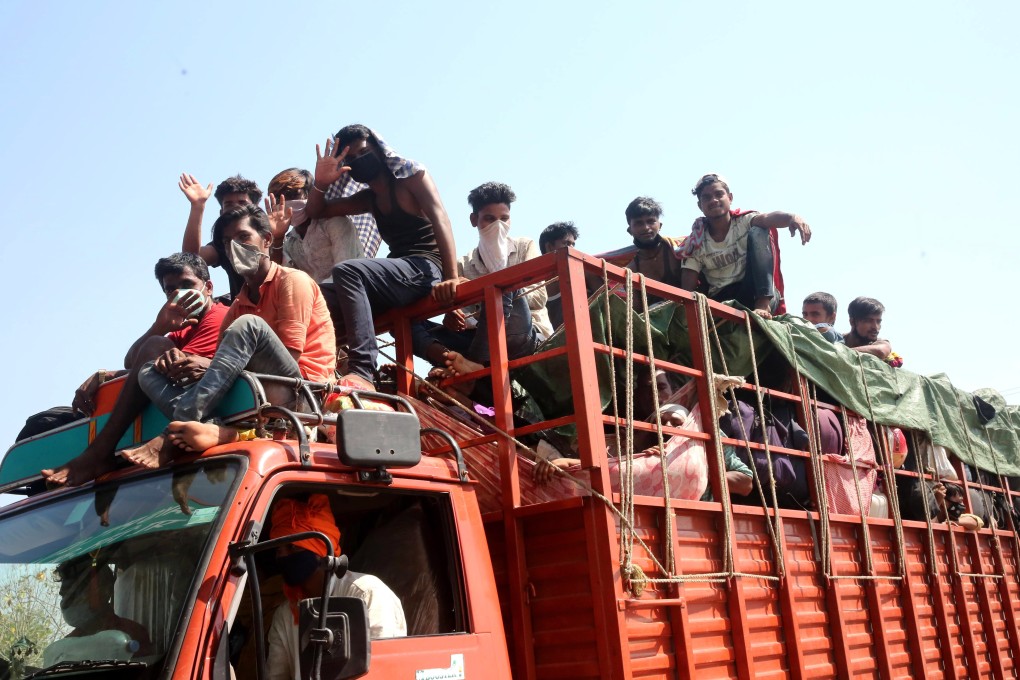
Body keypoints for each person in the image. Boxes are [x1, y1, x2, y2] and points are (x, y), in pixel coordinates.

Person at [120, 204, 336, 468]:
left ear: (266, 239)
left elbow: (289, 358)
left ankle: (175, 430)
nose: (235, 247)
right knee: (146, 372)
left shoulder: (292, 281)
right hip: (251, 391)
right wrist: (199, 366)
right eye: (227, 242)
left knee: (249, 325)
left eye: (243, 237)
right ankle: (209, 427)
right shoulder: (239, 303)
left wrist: (211, 367)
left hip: (302, 393)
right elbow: (223, 365)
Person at [42, 253, 230, 486]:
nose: (179, 294)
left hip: (203, 403)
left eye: (187, 285)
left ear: (208, 287)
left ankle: (100, 451)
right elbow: (134, 361)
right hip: (180, 396)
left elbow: (163, 361)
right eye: (171, 290)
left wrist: (116, 372)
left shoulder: (219, 316)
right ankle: (99, 453)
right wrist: (159, 326)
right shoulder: (184, 328)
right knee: (155, 344)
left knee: (155, 345)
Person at [305, 124, 459, 390]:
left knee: (347, 271)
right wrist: (320, 183)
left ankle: (363, 371)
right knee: (315, 295)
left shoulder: (412, 177)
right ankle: (313, 374)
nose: (358, 162)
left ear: (378, 148)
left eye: (363, 152)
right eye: (350, 160)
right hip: (399, 274)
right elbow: (316, 211)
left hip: (426, 267)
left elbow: (441, 220)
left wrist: (452, 279)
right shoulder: (368, 198)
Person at [413, 182, 551, 370]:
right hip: (479, 336)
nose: (498, 225)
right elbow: (460, 315)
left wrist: (483, 291)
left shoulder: (524, 247)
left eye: (504, 219)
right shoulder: (462, 264)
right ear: (474, 220)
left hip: (523, 333)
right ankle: (447, 358)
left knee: (502, 286)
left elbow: (540, 298)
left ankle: (473, 365)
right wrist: (451, 314)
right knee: (408, 325)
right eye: (489, 218)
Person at [267, 495, 406, 680]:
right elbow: (276, 676)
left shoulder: (365, 595)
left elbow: (382, 671)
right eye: (278, 550)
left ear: (320, 551)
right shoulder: (286, 614)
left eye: (292, 548)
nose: (283, 557)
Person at [680, 173, 811, 318]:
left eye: (719, 194)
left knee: (759, 231)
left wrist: (792, 218)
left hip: (753, 291)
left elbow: (767, 218)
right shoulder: (695, 242)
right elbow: (688, 288)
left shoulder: (744, 221)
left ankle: (763, 304)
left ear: (730, 198)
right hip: (721, 299)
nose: (714, 200)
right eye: (706, 197)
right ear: (700, 205)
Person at [179, 174, 264, 297]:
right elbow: (191, 258)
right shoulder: (225, 245)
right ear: (222, 213)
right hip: (243, 311)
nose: (236, 208)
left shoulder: (274, 234)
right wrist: (198, 206)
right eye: (229, 204)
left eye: (242, 203)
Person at [52, 559, 151, 655]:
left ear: (101, 590)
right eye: (66, 594)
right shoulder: (68, 645)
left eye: (73, 591)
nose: (62, 593)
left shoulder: (132, 635)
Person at [623, 197, 686, 292]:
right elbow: (635, 306)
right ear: (629, 230)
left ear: (660, 226)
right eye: (639, 223)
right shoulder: (631, 271)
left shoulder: (678, 252)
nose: (646, 227)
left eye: (650, 221)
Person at [538, 221, 579, 329]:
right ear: (549, 247)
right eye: (566, 243)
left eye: (573, 244)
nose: (572, 249)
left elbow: (609, 301)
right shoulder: (534, 284)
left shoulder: (582, 274)